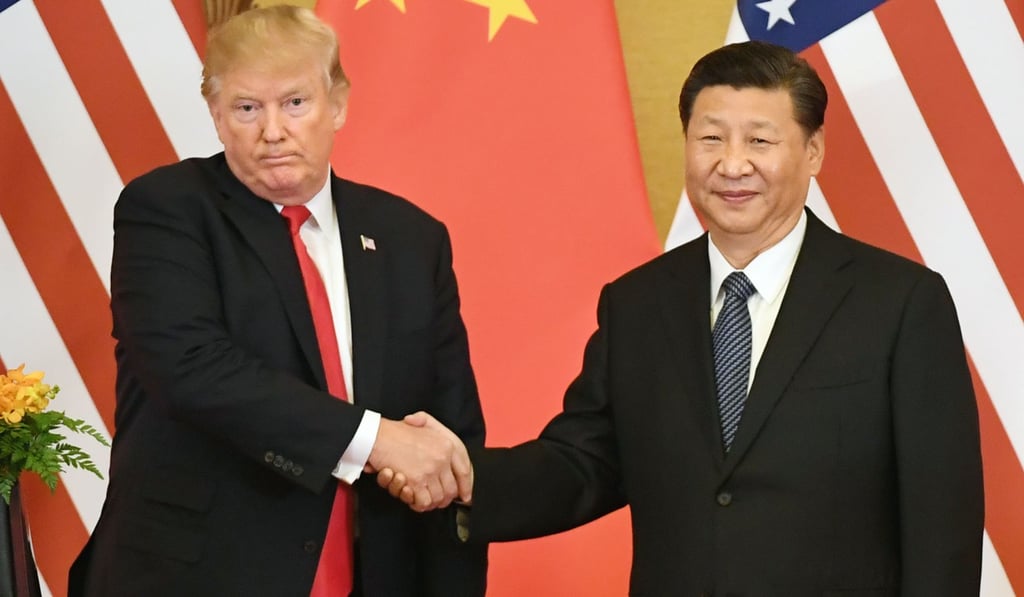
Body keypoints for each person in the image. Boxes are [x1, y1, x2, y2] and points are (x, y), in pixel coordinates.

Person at [384, 40, 984, 595]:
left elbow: (942, 520)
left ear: (814, 151)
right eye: (711, 138)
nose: (732, 165)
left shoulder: (901, 302)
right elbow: (585, 463)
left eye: (760, 141)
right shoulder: (638, 303)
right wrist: (463, 474)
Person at [68, 5, 486, 596]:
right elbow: (192, 371)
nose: (272, 130)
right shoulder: (166, 210)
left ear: (336, 104)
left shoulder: (411, 238)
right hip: (201, 576)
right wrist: (377, 440)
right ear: (215, 114)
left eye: (295, 102)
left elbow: (451, 427)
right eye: (246, 108)